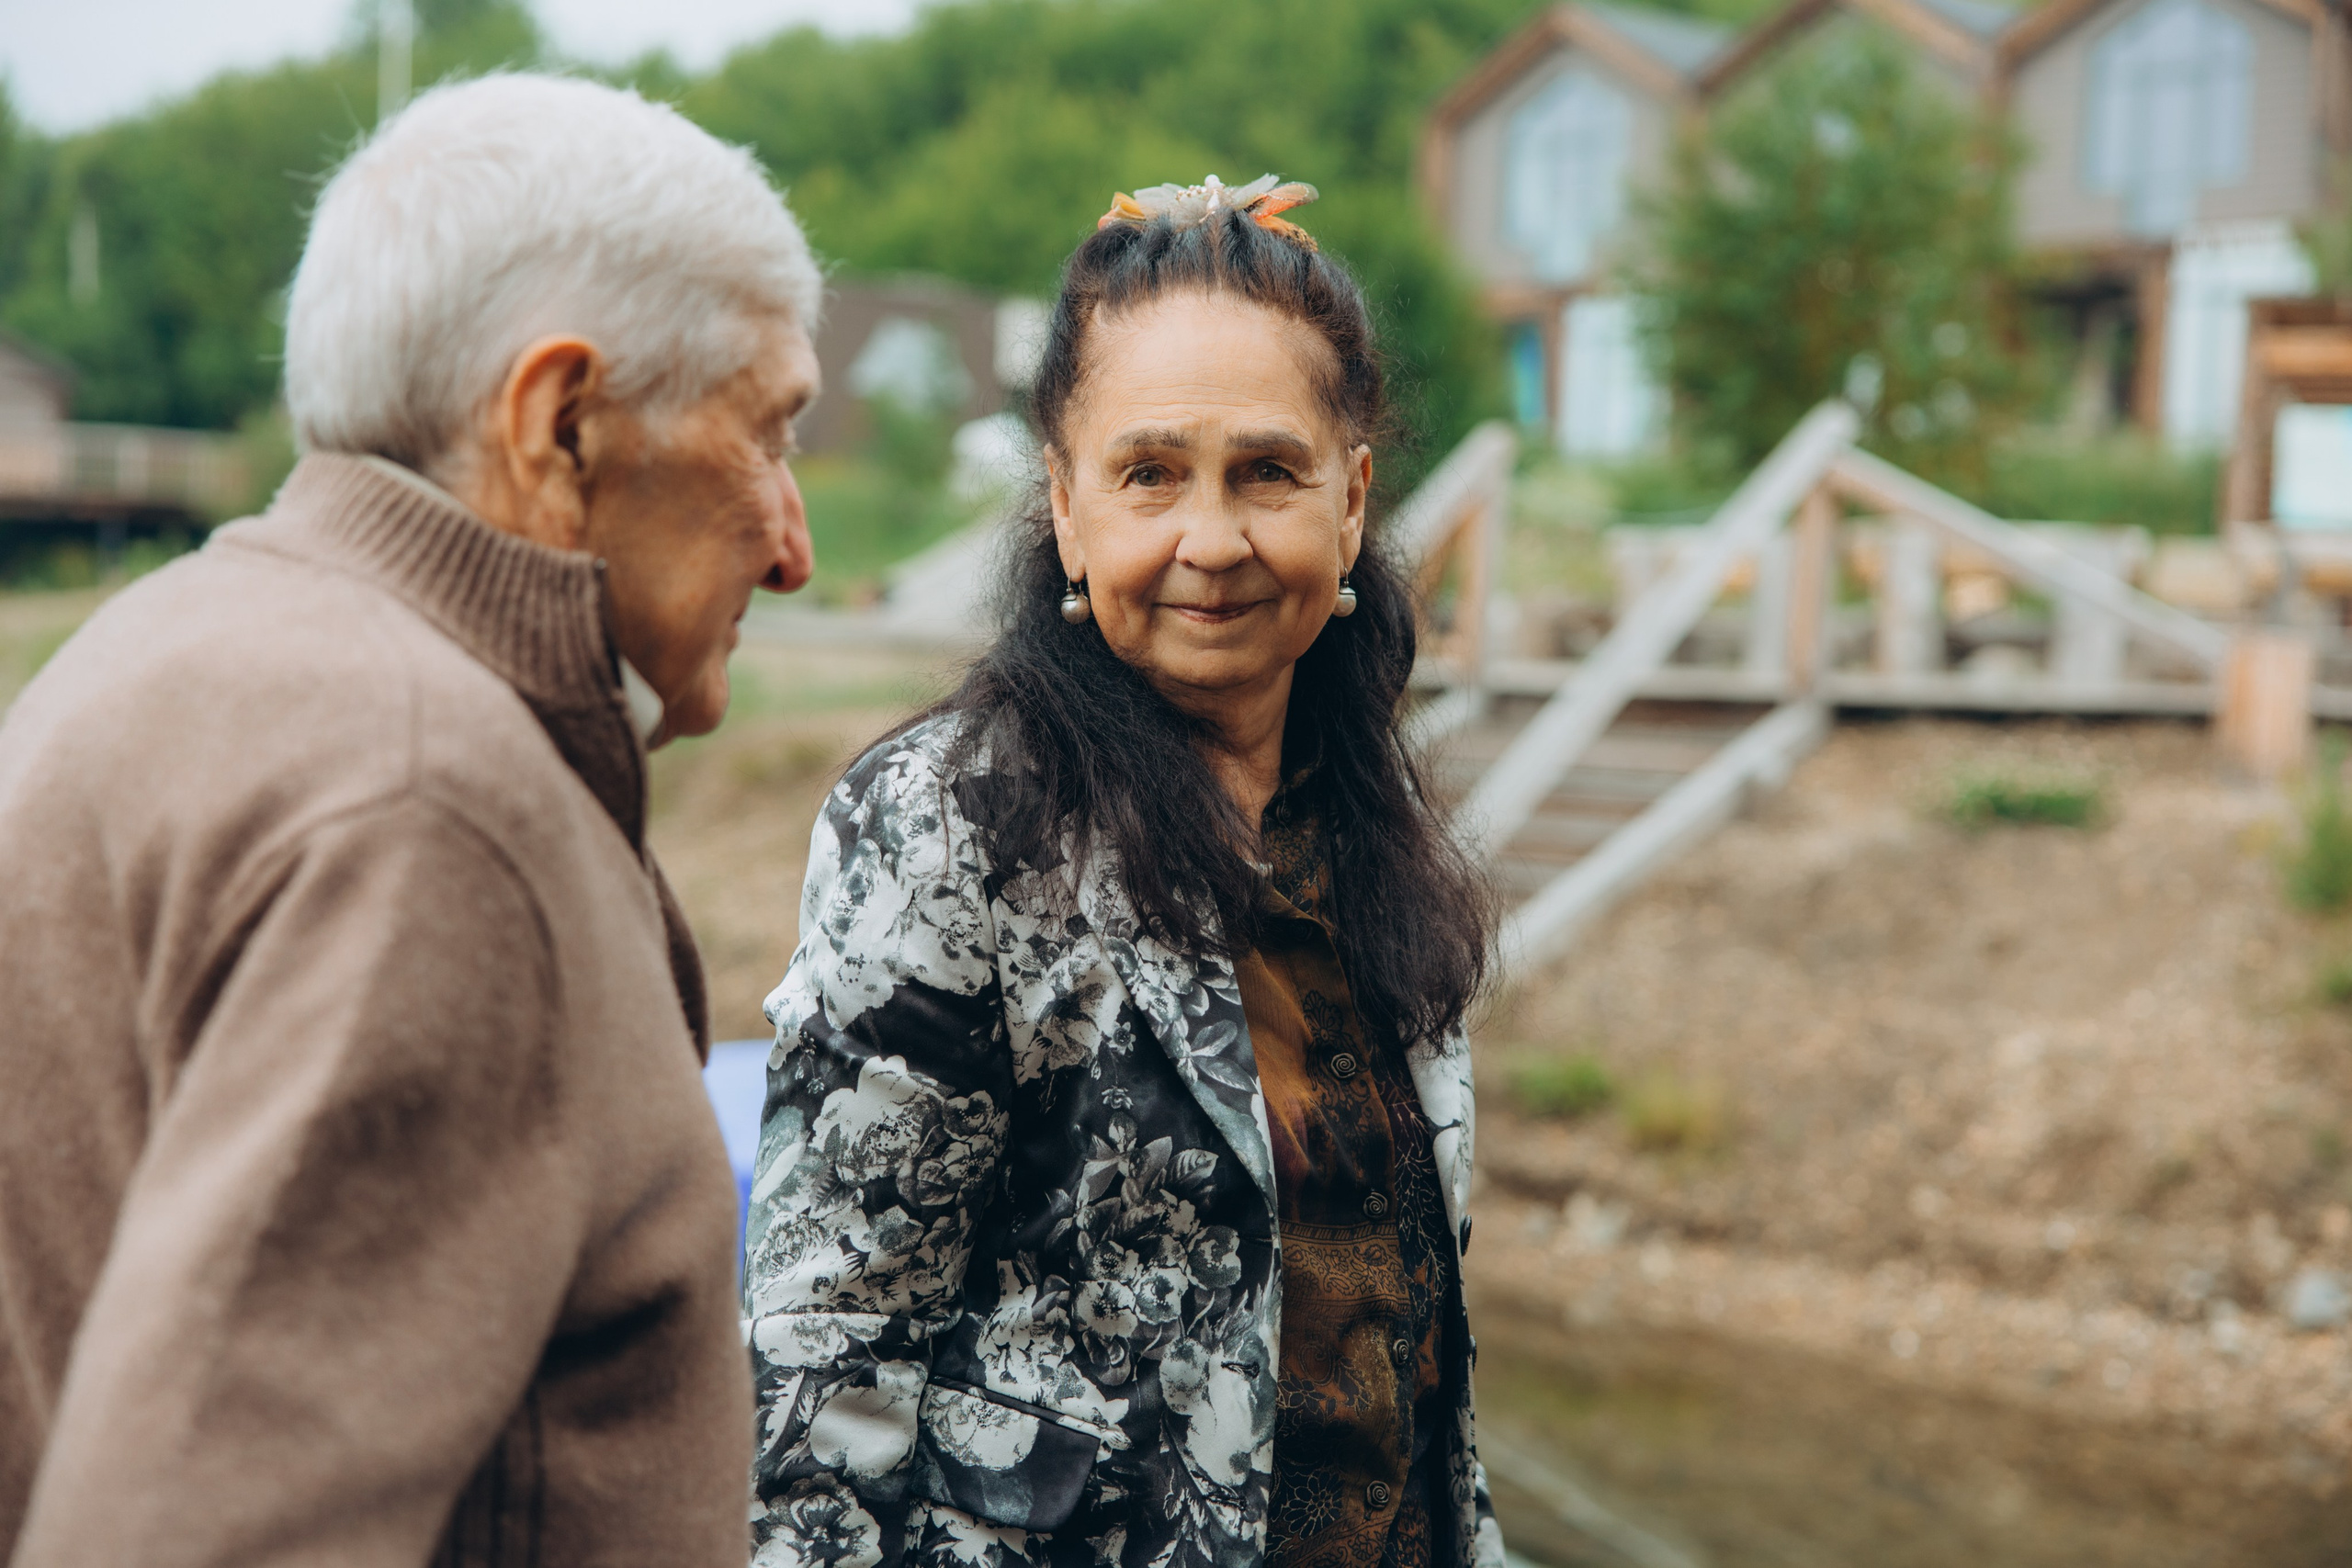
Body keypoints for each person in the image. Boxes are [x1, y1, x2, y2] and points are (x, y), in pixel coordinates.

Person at [0, 74, 820, 1565]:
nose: (794, 544)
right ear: (558, 425)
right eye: (768, 436)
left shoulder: (170, 641)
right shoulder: (436, 805)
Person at [746, 175, 1503, 1568]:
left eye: (1267, 471)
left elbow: (1418, 1353)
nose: (1209, 542)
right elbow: (826, 1371)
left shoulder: (1366, 828)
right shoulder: (950, 824)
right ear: (1066, 503)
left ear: (1351, 503)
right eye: (1150, 473)